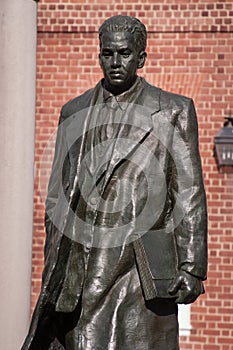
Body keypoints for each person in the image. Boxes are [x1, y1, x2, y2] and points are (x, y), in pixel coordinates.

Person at [22, 15, 208, 350]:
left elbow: (189, 193)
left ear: (141, 58)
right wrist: (56, 266)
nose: (115, 62)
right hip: (84, 262)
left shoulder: (172, 110)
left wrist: (192, 267)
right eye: (107, 54)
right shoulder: (73, 111)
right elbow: (57, 196)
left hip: (141, 264)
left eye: (124, 54)